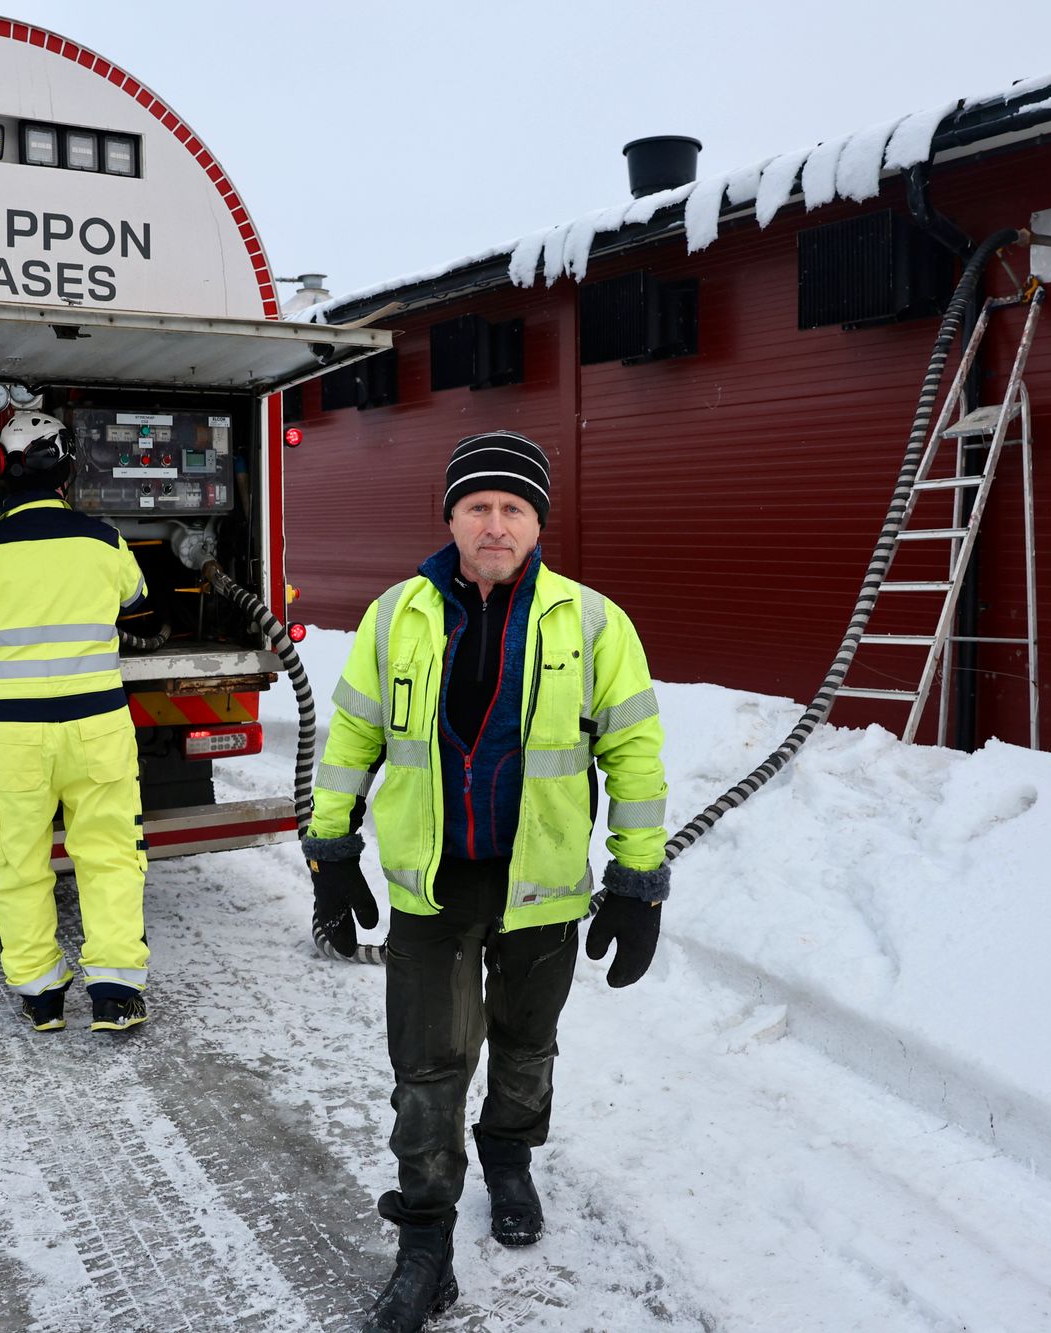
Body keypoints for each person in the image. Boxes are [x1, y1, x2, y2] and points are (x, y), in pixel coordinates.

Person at [302, 430, 671, 1331]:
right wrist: (331, 849)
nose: (495, 523)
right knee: (427, 1065)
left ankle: (508, 1157)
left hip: (541, 882)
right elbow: (350, 737)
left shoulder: (590, 621)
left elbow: (634, 751)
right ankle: (425, 1241)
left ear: (538, 522)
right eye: (479, 506)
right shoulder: (398, 616)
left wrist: (637, 876)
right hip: (435, 886)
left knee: (525, 1042)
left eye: (513, 507)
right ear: (452, 518)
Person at [0, 411, 154, 1034]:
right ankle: (116, 993)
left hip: (9, 741)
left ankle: (41, 997)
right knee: (109, 858)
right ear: (66, 470)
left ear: (3, 473)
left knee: (18, 866)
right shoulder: (105, 541)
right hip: (97, 731)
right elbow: (137, 603)